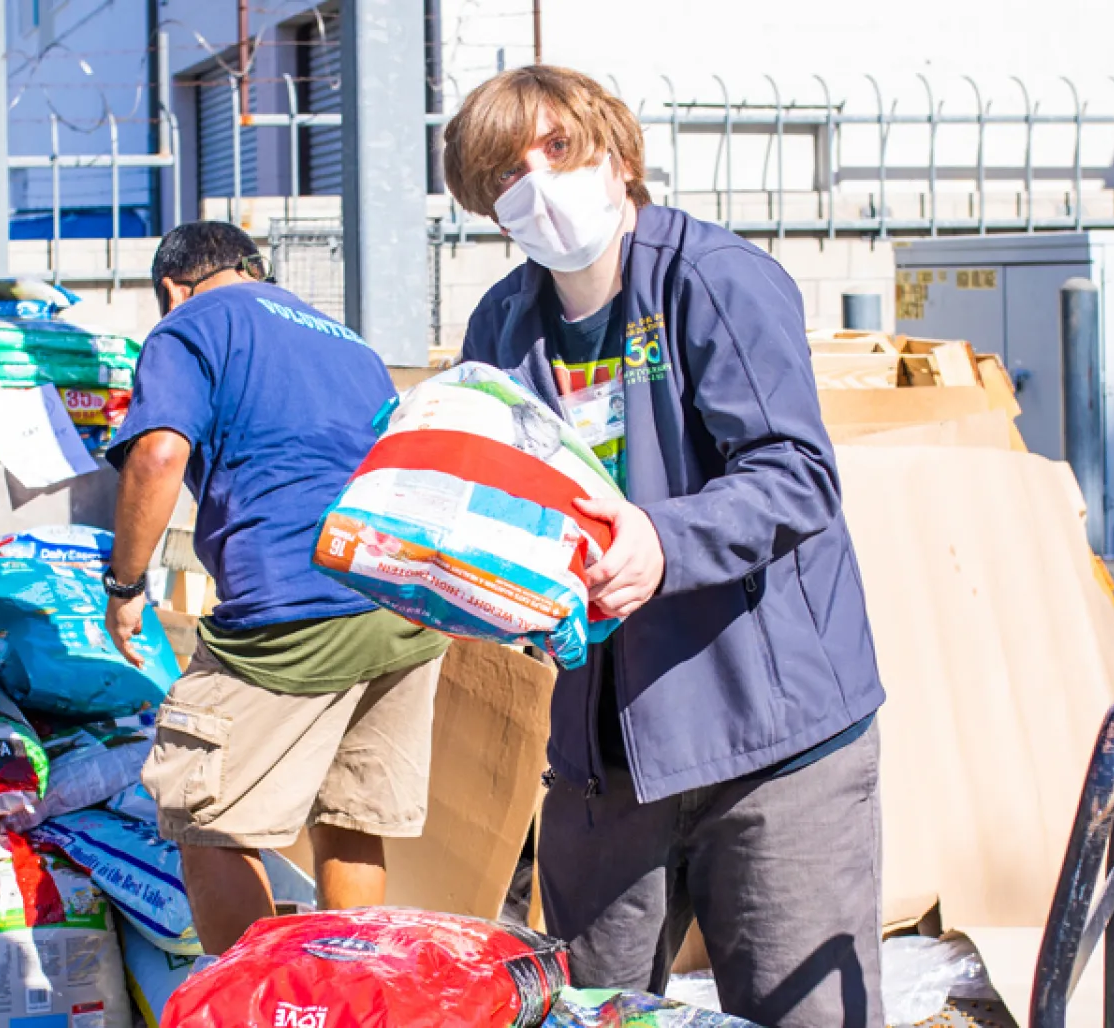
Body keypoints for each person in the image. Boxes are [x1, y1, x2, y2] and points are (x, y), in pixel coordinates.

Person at [443, 66, 888, 1028]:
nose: (537, 182)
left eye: (557, 148)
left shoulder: (712, 281)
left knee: (800, 1015)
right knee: (587, 1012)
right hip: (602, 758)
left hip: (767, 743)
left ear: (616, 152)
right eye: (504, 173)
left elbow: (797, 473)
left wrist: (662, 538)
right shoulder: (501, 325)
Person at [102, 222, 449, 955]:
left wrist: (126, 583)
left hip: (292, 616)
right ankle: (344, 997)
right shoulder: (347, 341)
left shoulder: (188, 324)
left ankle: (258, 1006)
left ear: (172, 286)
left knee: (204, 814)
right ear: (257, 271)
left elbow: (159, 455)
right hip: (404, 606)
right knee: (352, 815)